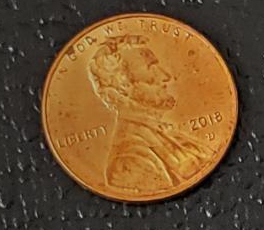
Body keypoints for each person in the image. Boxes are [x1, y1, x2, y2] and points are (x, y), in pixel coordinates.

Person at [87, 34, 209, 189]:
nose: (166, 76)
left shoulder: (167, 134)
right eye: (151, 68)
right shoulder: (128, 162)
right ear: (123, 86)